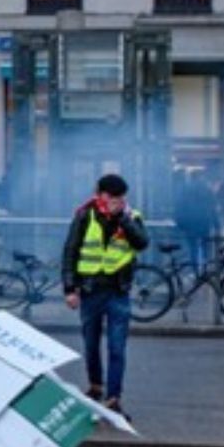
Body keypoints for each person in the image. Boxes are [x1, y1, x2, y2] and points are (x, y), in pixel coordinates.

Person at [62, 174, 149, 418]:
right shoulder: (85, 214)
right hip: (90, 290)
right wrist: (70, 288)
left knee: (117, 347)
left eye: (120, 197)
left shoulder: (131, 216)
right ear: (100, 194)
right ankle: (96, 386)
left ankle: (113, 397)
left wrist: (123, 219)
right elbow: (71, 251)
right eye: (112, 197)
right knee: (91, 344)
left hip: (118, 291)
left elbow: (142, 242)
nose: (116, 202)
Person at [174, 173, 217, 269]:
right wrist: (216, 224)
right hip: (204, 223)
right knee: (205, 247)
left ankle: (195, 270)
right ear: (201, 178)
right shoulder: (207, 191)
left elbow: (179, 207)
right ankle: (205, 270)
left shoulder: (185, 191)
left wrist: (180, 223)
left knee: (193, 249)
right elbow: (212, 209)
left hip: (190, 224)